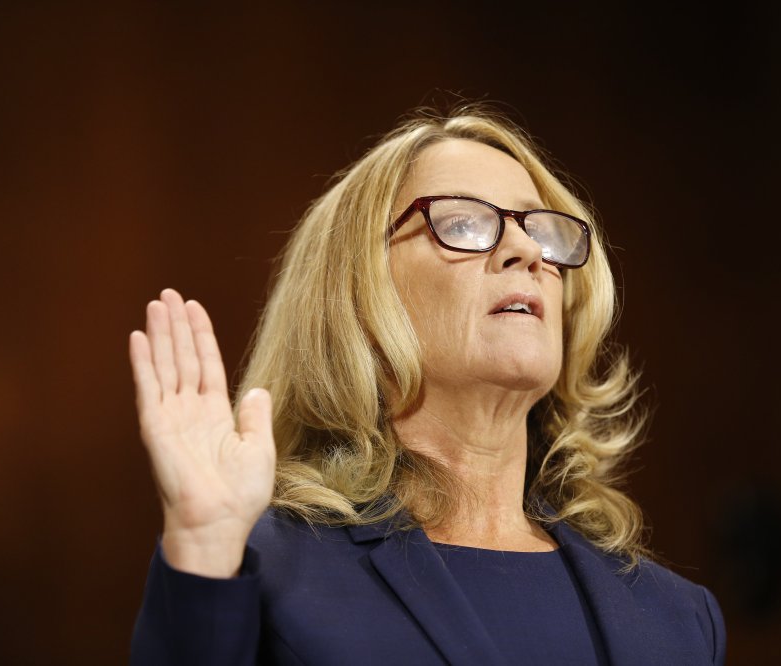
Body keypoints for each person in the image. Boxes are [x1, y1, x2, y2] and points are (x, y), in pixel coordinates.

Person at [128, 105, 726, 665]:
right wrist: (204, 554)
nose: (526, 251)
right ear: (357, 294)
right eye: (463, 222)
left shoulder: (679, 621)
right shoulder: (262, 571)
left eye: (542, 231)